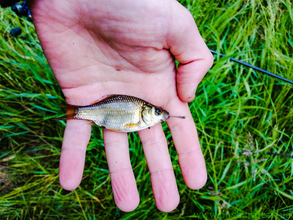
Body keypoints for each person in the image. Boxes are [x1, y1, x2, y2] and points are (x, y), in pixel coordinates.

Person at [29, 0, 213, 212]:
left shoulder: (141, 115)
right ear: (146, 111)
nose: (159, 114)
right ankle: (74, 113)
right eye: (156, 112)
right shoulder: (138, 115)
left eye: (158, 112)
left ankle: (74, 113)